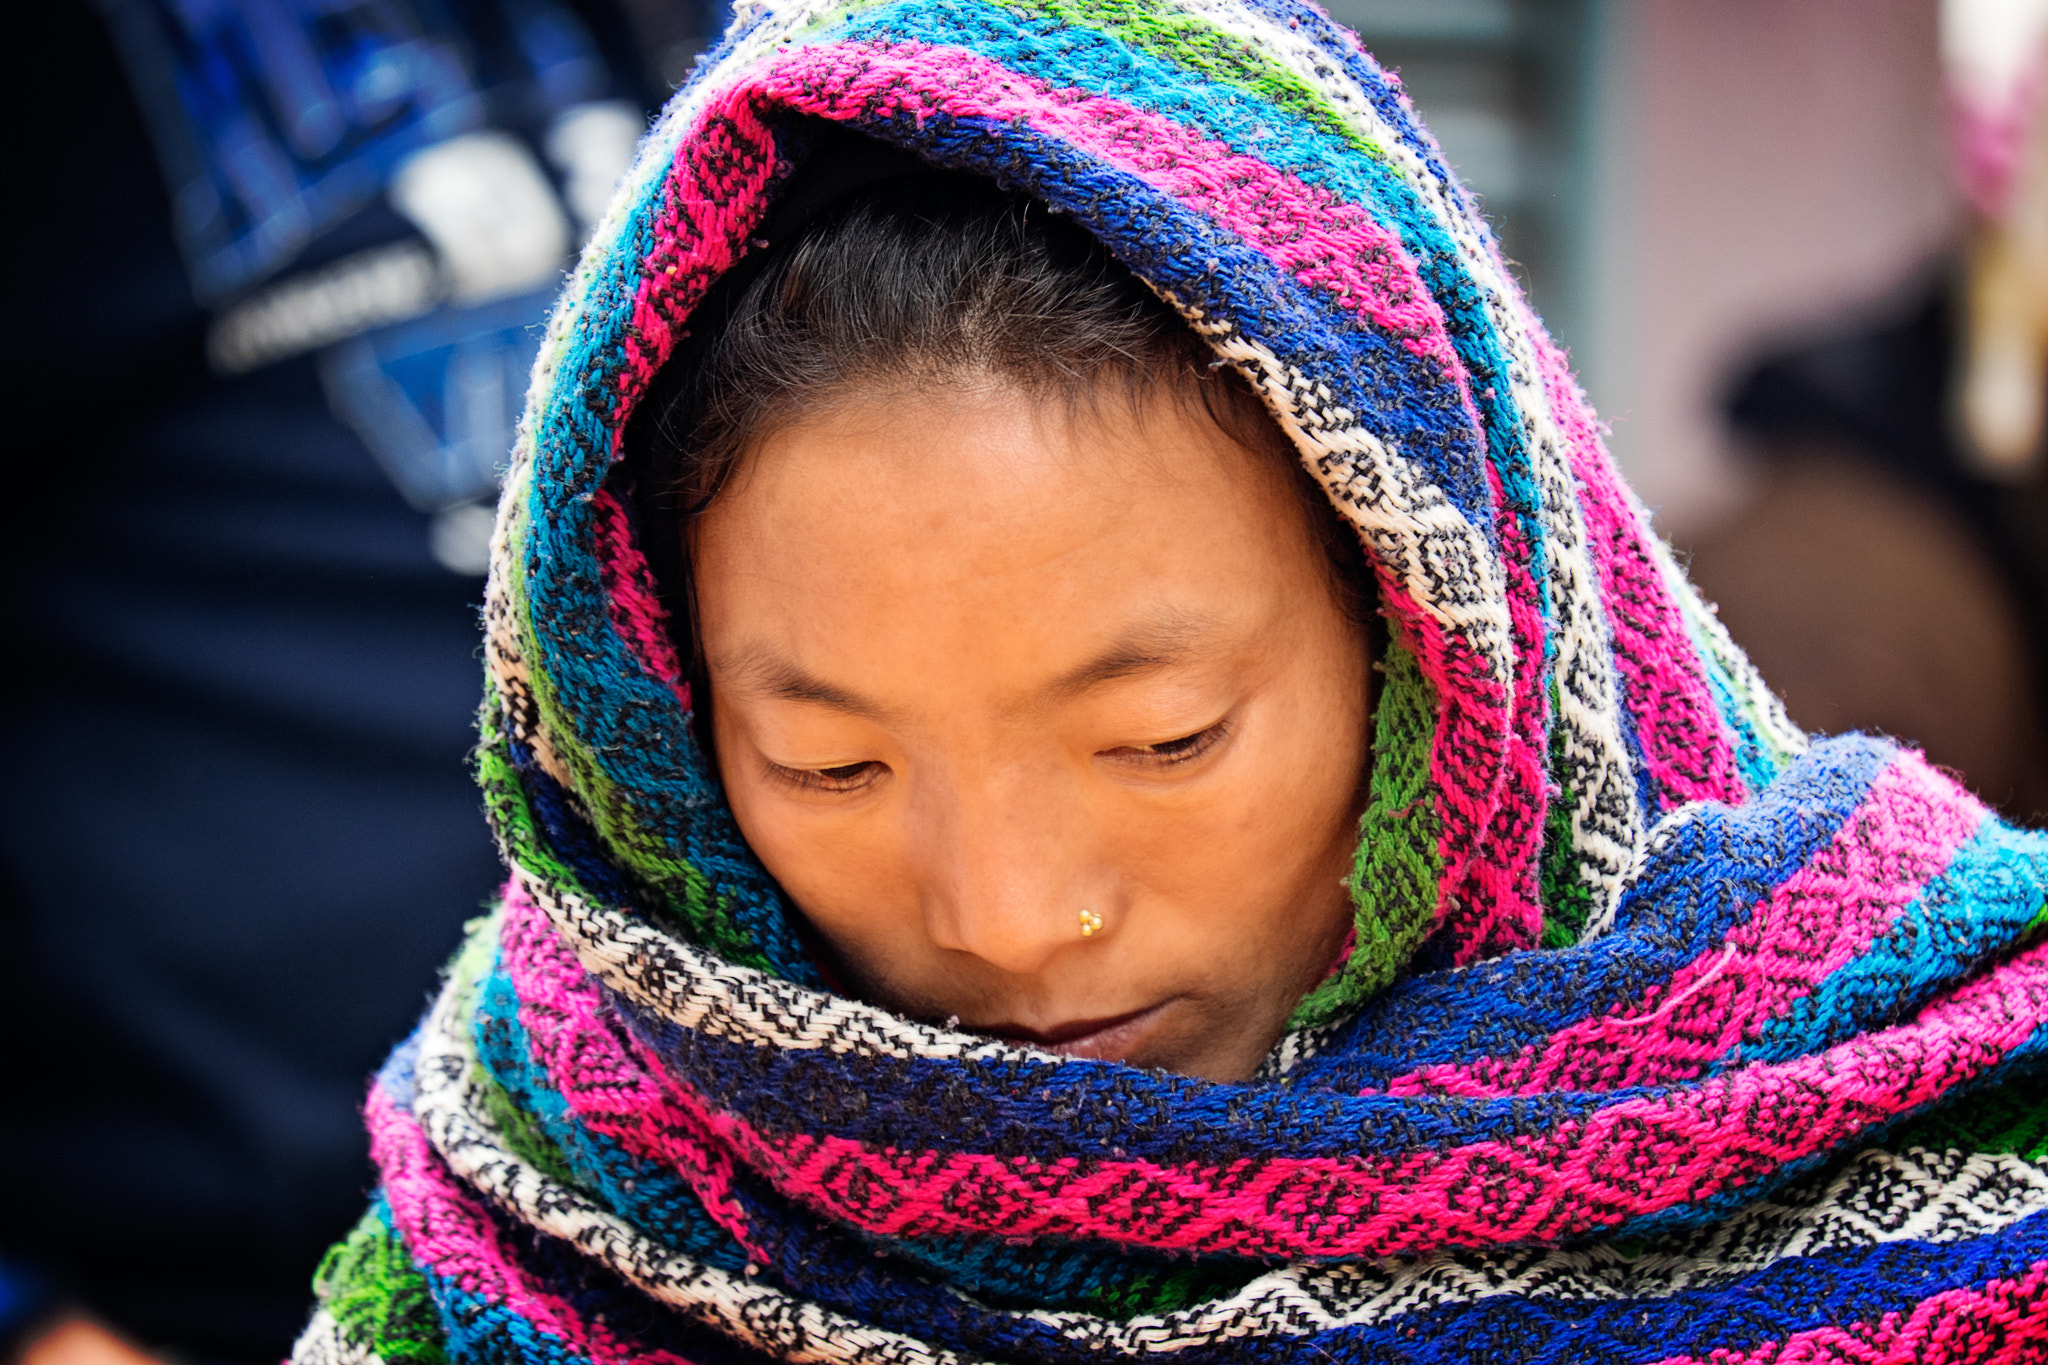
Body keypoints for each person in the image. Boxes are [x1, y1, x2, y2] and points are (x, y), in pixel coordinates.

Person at [292, 1, 2048, 1361]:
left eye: (1163, 737)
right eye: (828, 766)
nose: (1005, 914)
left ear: (1440, 635)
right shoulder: (552, 1200)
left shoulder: (1934, 1133)